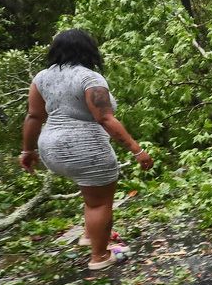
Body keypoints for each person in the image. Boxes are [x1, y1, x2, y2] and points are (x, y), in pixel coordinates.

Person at [20, 29, 153, 270]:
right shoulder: (89, 78)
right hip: (85, 149)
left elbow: (34, 115)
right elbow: (105, 119)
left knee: (91, 197)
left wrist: (27, 151)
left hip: (51, 148)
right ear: (89, 50)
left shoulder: (41, 78)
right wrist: (137, 150)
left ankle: (90, 236)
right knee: (100, 203)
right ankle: (99, 257)